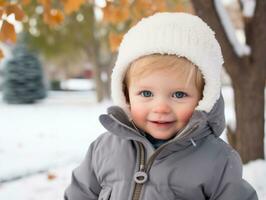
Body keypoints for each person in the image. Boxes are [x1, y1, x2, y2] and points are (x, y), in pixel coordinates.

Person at [64, 12, 258, 200]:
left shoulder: (217, 160)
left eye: (179, 94)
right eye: (146, 93)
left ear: (204, 98)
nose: (161, 108)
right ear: (126, 94)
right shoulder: (104, 149)